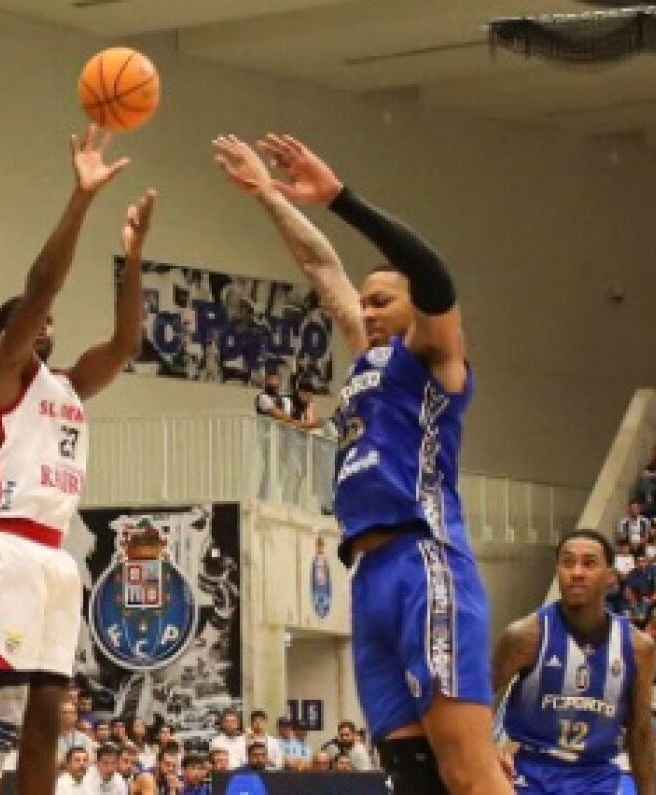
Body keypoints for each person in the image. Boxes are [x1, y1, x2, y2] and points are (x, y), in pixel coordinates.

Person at [212, 132, 500, 795]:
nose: (365, 310)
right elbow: (319, 267)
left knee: (469, 772)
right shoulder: (368, 361)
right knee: (411, 773)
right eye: (363, 302)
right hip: (369, 575)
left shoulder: (434, 359)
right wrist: (267, 195)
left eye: (381, 301)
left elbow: (435, 276)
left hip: (424, 561)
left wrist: (340, 197)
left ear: (416, 311)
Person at [0, 125, 150, 795]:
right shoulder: (4, 379)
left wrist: (133, 257)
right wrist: (82, 198)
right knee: (1, 715)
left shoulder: (68, 383)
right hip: (6, 547)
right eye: (38, 320)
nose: (49, 323)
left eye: (52, 322)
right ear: (15, 331)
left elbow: (126, 344)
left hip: (55, 558)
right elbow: (40, 284)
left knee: (46, 718)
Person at [493, 531, 656, 795]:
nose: (577, 572)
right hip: (529, 775)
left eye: (589, 563)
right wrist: (489, 750)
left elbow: (640, 732)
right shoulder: (525, 636)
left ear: (610, 576)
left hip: (596, 778)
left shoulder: (639, 648)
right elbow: (474, 701)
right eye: (567, 563)